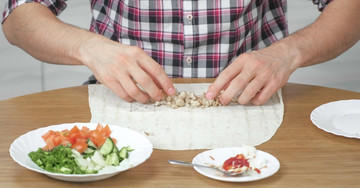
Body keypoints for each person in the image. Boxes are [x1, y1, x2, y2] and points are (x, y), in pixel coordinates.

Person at [2, 0, 360, 105]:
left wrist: (288, 53)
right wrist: (89, 47)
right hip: (121, 102)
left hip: (248, 101)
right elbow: (18, 17)